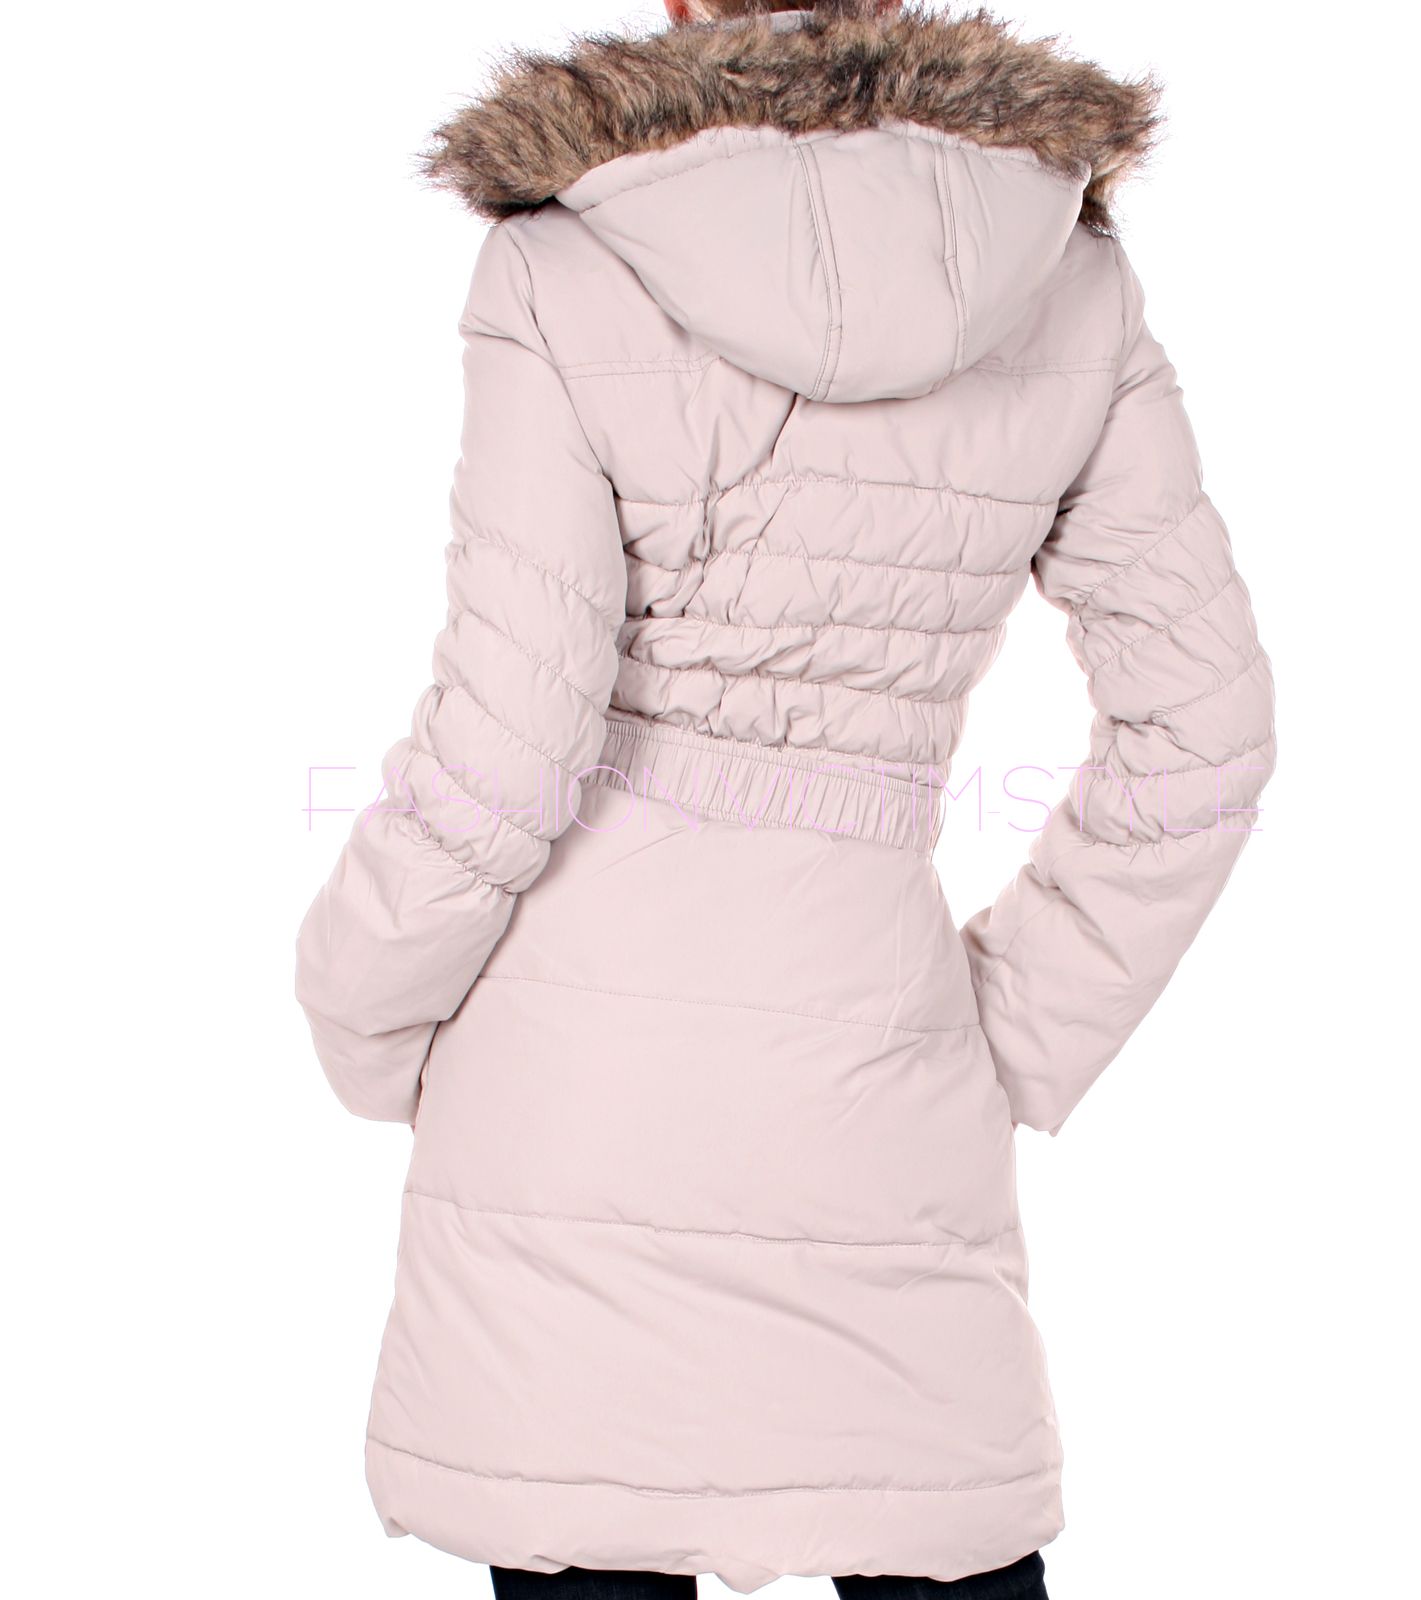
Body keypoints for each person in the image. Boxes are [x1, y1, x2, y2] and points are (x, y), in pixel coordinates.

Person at [294, 2, 1277, 1596]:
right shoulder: (1063, 270)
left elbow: (514, 731)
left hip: (574, 1111)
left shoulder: (567, 259)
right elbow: (1205, 727)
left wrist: (361, 999)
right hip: (878, 1100)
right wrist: (1004, 1035)